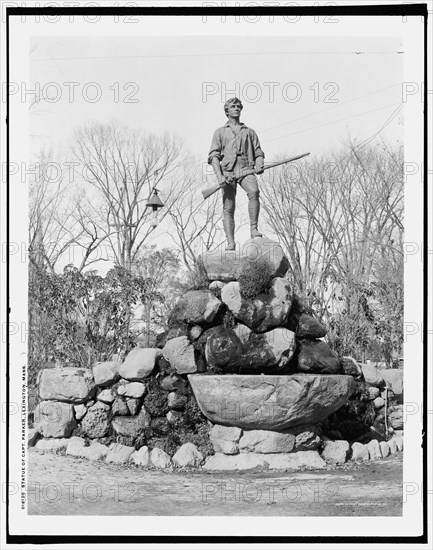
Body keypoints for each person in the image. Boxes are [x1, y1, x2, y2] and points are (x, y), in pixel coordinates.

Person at [208, 97, 265, 250]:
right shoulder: (219, 132)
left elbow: (258, 151)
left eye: (238, 106)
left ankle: (254, 229)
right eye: (233, 106)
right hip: (227, 172)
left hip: (246, 168)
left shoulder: (249, 131)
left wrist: (259, 163)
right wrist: (220, 177)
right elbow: (213, 156)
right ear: (227, 111)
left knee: (254, 191)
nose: (236, 108)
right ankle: (230, 242)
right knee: (228, 206)